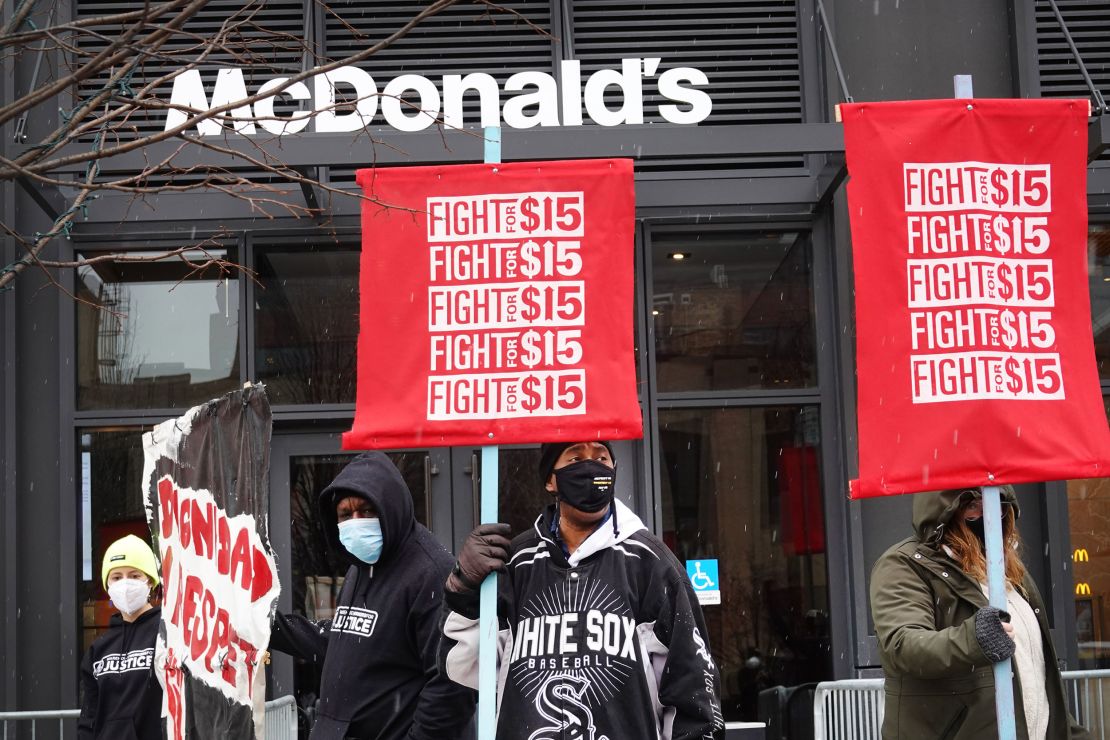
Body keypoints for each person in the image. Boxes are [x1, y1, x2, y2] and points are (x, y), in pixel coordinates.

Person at [440, 441, 725, 739]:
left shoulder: (650, 564)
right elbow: (465, 669)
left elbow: (693, 691)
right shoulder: (517, 564)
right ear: (551, 480)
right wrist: (464, 589)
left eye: (601, 458)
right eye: (576, 457)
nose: (591, 467)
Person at [270, 451, 475, 740]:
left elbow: (452, 682)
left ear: (389, 506)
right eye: (345, 514)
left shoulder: (431, 571)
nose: (356, 522)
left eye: (366, 510)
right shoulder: (363, 565)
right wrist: (270, 628)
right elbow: (347, 640)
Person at [869, 486, 1089, 740]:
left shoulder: (1007, 571)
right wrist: (974, 638)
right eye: (972, 505)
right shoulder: (904, 563)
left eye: (996, 503)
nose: (986, 514)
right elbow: (902, 645)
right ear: (946, 511)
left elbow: (1036, 676)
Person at [78, 534, 163, 740]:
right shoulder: (98, 649)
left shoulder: (166, 633)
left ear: (150, 581)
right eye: (116, 577)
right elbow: (89, 718)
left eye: (134, 576)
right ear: (108, 585)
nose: (125, 583)